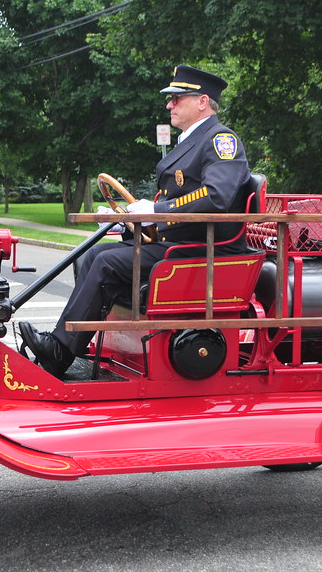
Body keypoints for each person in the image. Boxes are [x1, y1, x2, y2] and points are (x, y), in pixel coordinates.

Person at [19, 65, 253, 377]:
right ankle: (66, 347)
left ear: (202, 102)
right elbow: (180, 199)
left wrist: (157, 210)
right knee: (92, 254)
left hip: (204, 249)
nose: (169, 105)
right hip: (179, 242)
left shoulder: (221, 140)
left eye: (177, 99)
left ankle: (60, 349)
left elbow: (216, 196)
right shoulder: (194, 140)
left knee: (106, 262)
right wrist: (128, 221)